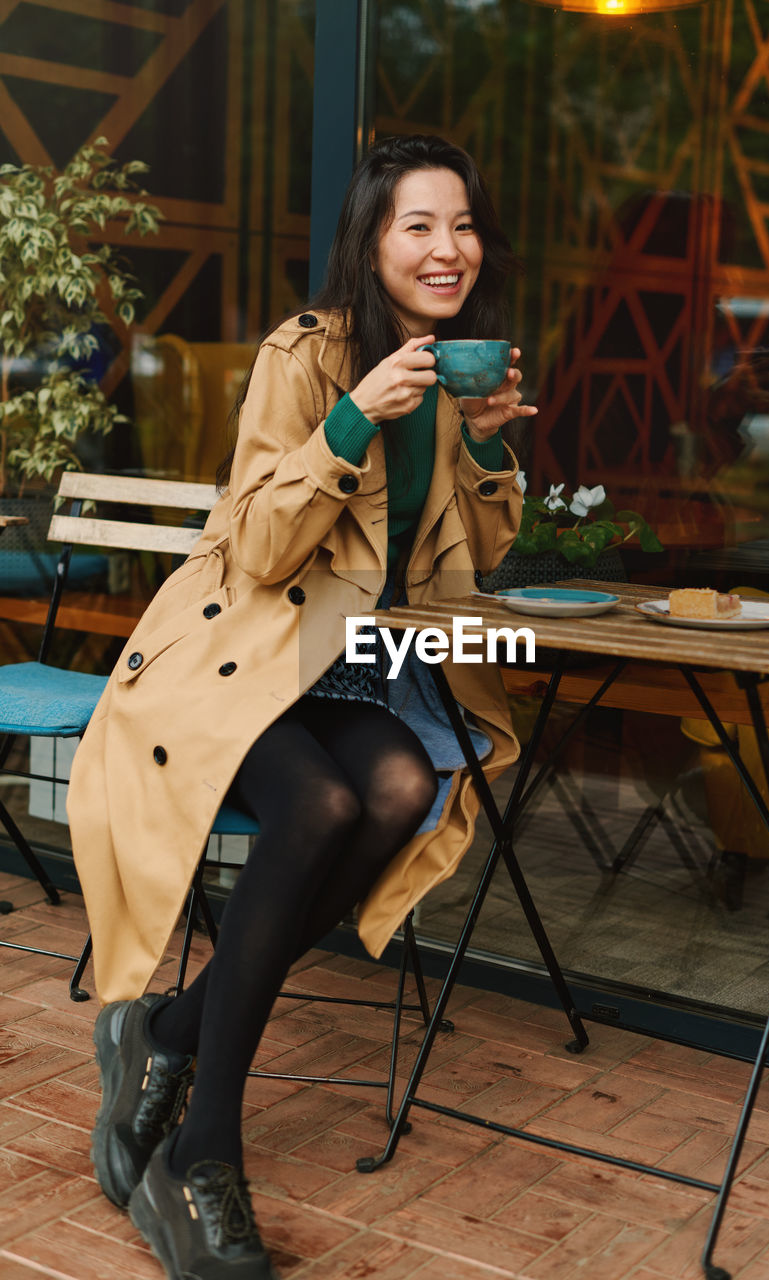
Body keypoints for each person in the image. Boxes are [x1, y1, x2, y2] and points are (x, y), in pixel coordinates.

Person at [67, 134, 536, 1279]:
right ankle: (202, 1152)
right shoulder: (309, 355)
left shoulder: (449, 376)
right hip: (241, 658)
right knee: (325, 802)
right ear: (371, 241)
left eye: (461, 224)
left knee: (404, 783)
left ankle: (165, 1033)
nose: (446, 247)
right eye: (417, 225)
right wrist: (352, 420)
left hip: (359, 667)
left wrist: (477, 453)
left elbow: (470, 574)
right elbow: (259, 545)